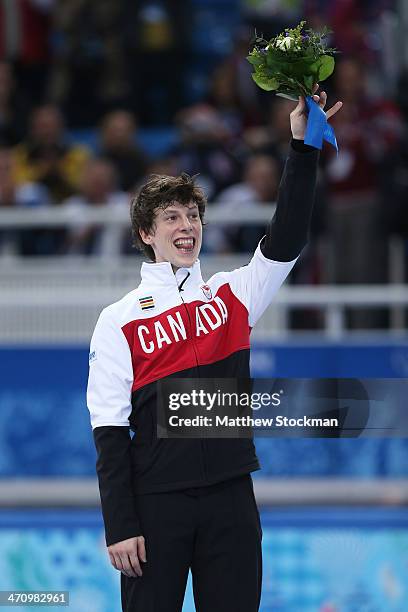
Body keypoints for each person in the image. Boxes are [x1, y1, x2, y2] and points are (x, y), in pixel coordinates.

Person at [87, 88, 342, 612]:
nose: (188, 227)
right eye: (173, 218)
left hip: (231, 496)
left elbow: (287, 235)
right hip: (156, 504)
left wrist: (302, 149)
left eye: (193, 216)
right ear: (146, 233)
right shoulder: (118, 320)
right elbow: (109, 433)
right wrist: (121, 526)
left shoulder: (233, 294)